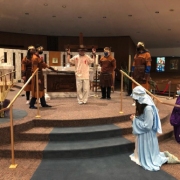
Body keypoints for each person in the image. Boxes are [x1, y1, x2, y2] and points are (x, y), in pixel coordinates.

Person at [129, 86, 180, 171]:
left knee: (150, 158)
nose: (134, 100)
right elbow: (143, 119)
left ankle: (167, 159)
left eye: (135, 98)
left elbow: (148, 126)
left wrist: (135, 120)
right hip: (144, 134)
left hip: (147, 135)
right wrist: (136, 118)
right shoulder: (143, 106)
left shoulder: (148, 108)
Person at [29, 44, 57, 109]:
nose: (42, 50)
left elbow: (43, 64)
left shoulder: (38, 57)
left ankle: (43, 103)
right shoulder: (35, 58)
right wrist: (38, 78)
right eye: (40, 49)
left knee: (41, 89)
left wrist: (52, 68)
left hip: (40, 75)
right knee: (36, 89)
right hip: (36, 75)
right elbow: (35, 69)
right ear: (37, 49)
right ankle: (31, 104)